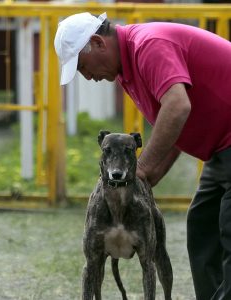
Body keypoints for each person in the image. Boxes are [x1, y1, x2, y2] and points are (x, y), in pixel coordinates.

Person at [54, 11, 231, 300]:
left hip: (227, 141)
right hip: (222, 148)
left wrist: (144, 167)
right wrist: (150, 175)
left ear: (98, 43)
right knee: (202, 230)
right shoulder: (127, 70)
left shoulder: (148, 45)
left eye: (83, 67)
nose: (87, 77)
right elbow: (173, 120)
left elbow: (177, 107)